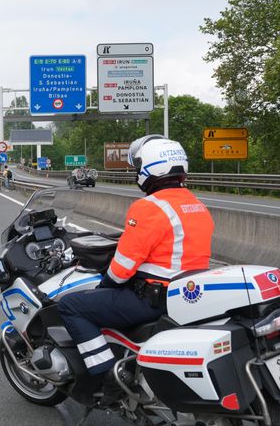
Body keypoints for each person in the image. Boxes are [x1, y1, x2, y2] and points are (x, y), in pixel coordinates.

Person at [57, 135, 214, 401]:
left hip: (153, 299)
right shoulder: (197, 205)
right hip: (189, 295)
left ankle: (107, 375)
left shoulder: (149, 207)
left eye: (138, 166)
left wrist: (104, 286)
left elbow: (122, 269)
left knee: (71, 306)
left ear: (150, 167)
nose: (136, 172)